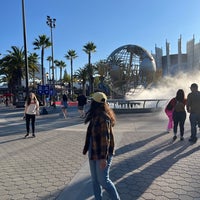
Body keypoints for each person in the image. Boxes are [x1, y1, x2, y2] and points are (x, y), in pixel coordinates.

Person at [82, 92, 120, 200]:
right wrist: (86, 148)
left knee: (103, 180)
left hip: (102, 152)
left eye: (91, 101)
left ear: (95, 103)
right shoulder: (95, 115)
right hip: (93, 149)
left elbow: (105, 140)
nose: (90, 103)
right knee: (95, 180)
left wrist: (104, 158)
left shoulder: (104, 117)